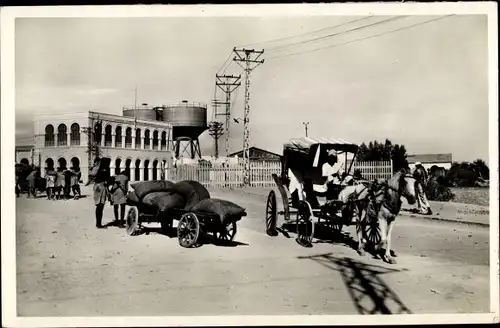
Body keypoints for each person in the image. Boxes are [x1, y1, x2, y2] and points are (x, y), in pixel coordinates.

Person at [89, 158, 112, 229]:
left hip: (97, 187)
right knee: (101, 206)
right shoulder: (105, 170)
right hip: (101, 187)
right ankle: (99, 224)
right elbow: (108, 180)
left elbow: (91, 175)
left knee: (98, 206)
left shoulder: (96, 169)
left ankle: (98, 223)